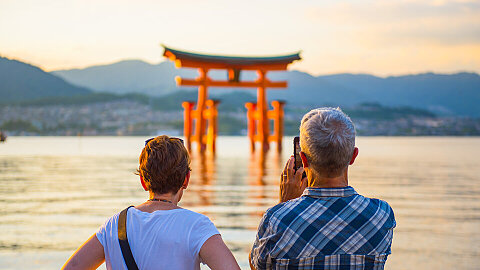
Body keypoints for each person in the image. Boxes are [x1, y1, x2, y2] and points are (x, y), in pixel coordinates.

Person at [62, 135, 240, 270]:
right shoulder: (196, 226)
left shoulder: (115, 225)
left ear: (143, 181)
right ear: (186, 179)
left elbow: (72, 268)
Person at [250, 107, 396, 269]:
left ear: (303, 160)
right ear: (353, 156)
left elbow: (257, 266)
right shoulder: (381, 215)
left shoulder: (277, 219)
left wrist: (285, 204)